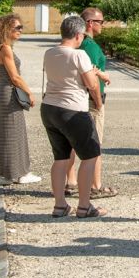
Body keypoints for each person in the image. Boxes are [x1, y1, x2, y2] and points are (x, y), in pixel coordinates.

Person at [41, 16, 104, 218]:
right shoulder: (79, 55)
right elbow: (91, 84)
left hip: (50, 107)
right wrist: (99, 101)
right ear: (78, 35)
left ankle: (60, 205)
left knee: (60, 157)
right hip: (73, 109)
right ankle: (84, 206)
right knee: (90, 155)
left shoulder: (49, 53)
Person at [64, 8, 116, 199]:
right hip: (91, 99)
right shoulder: (91, 46)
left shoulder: (77, 44)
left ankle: (71, 182)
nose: (103, 25)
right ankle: (96, 185)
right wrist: (99, 100)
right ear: (90, 23)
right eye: (101, 21)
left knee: (71, 144)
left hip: (74, 99)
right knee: (94, 144)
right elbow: (91, 74)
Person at [0, 14, 41, 186]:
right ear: (6, 29)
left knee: (2, 134)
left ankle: (0, 174)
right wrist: (29, 93)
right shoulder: (5, 49)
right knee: (13, 133)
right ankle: (19, 173)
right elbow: (15, 77)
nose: (20, 31)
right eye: (17, 28)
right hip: (9, 92)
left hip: (2, 92)